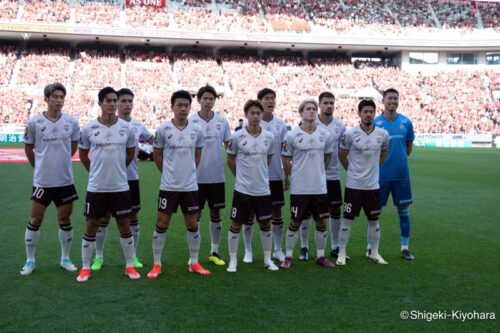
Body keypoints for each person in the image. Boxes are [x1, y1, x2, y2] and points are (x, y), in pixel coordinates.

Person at [77, 87, 139, 282]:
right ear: (100, 103)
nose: (112, 104)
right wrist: (95, 172)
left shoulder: (127, 128)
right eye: (109, 101)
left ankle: (129, 266)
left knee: (124, 224)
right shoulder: (88, 129)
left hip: (120, 187)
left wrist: (118, 170)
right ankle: (86, 267)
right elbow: (82, 155)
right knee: (92, 225)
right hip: (96, 187)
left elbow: (130, 154)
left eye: (115, 101)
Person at [147, 90, 211, 279]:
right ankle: (157, 264)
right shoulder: (163, 129)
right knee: (161, 223)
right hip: (168, 186)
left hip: (190, 186)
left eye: (186, 105)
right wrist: (168, 172)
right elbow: (157, 156)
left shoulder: (197, 130)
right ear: (172, 107)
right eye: (179, 105)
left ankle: (194, 262)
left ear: (190, 107)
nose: (183, 108)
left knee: (192, 223)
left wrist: (188, 172)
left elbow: (197, 155)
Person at [90, 88, 154, 272]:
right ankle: (98, 257)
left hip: (130, 178)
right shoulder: (105, 126)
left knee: (132, 217)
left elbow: (154, 141)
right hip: (107, 179)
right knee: (104, 217)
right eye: (123, 101)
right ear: (116, 103)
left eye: (130, 101)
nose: (127, 104)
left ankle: (132, 256)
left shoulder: (138, 126)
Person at [20, 82, 80, 276]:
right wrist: (39, 167)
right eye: (55, 97)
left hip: (65, 181)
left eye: (62, 97)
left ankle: (65, 258)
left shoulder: (71, 122)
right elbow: (29, 148)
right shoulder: (35, 122)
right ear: (46, 99)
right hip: (42, 182)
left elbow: (73, 147)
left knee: (64, 218)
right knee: (35, 219)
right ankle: (30, 261)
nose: (59, 101)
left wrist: (61, 163)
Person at [280, 99, 336, 269]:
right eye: (308, 109)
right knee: (295, 221)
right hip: (300, 188)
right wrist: (294, 175)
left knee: (322, 222)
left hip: (319, 187)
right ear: (301, 112)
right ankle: (288, 255)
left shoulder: (325, 135)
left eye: (314, 109)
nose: (311, 111)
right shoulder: (291, 135)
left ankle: (320, 255)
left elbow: (327, 158)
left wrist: (318, 171)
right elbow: (285, 158)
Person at [226, 99, 278, 272]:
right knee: (236, 224)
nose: (256, 116)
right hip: (242, 190)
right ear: (246, 115)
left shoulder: (269, 137)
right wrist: (241, 177)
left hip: (263, 190)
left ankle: (267, 259)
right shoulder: (237, 136)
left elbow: (268, 160)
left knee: (265, 225)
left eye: (258, 113)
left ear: (262, 115)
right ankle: (233, 260)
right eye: (252, 113)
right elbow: (231, 160)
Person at [336, 99, 389, 266]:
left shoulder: (383, 134)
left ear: (374, 113)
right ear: (359, 114)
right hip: (354, 185)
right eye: (365, 112)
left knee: (374, 219)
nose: (368, 114)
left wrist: (373, 170)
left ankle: (374, 252)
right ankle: (342, 253)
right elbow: (342, 155)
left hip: (373, 186)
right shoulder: (350, 134)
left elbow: (383, 155)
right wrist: (352, 171)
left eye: (371, 112)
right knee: (348, 220)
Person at [242, 88, 288, 264]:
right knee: (249, 214)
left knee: (276, 214)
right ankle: (248, 251)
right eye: (267, 98)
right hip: (254, 178)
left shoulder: (280, 124)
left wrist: (286, 174)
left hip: (275, 176)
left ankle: (277, 249)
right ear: (260, 102)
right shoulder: (248, 126)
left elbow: (284, 152)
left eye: (273, 98)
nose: (270, 101)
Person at [298, 92, 346, 261]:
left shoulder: (340, 126)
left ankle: (335, 246)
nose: (329, 106)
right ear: (320, 105)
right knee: (306, 213)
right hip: (311, 176)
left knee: (334, 211)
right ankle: (304, 247)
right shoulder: (309, 122)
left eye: (332, 103)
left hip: (332, 175)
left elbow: (343, 150)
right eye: (325, 102)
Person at [189, 85, 231, 266]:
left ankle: (214, 251)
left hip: (216, 177)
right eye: (205, 98)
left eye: (211, 99)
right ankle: (194, 255)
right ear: (199, 100)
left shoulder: (222, 121)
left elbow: (229, 145)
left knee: (216, 214)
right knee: (194, 216)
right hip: (195, 178)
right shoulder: (190, 121)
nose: (208, 102)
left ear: (215, 101)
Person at [372, 88, 416, 260]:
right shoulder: (375, 122)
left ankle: (405, 247)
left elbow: (408, 147)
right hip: (380, 175)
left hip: (401, 175)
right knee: (375, 213)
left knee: (404, 212)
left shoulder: (406, 122)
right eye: (389, 98)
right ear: (383, 101)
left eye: (395, 98)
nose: (393, 101)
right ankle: (371, 247)